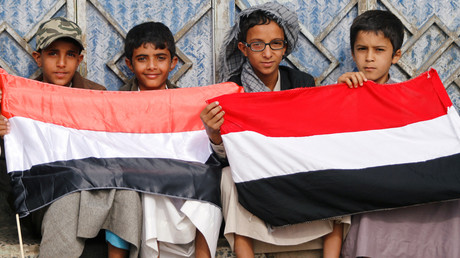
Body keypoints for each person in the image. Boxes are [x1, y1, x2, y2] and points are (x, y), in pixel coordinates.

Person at [200, 2, 349, 258]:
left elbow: (318, 136)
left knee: (338, 167)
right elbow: (225, 157)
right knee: (227, 177)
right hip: (257, 176)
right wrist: (214, 135)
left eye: (275, 44)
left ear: (285, 48)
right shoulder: (231, 91)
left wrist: (344, 92)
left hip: (295, 171)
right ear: (243, 49)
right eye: (257, 44)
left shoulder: (301, 83)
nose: (267, 53)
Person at [0, 17, 142, 258]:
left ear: (80, 59)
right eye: (53, 54)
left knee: (127, 194)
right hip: (45, 196)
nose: (62, 63)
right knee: (67, 198)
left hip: (94, 187)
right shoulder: (21, 100)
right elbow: (14, 160)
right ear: (38, 58)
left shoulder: (97, 95)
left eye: (70, 55)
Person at [338, 10, 460, 257]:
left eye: (379, 50)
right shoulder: (342, 92)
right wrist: (339, 95)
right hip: (365, 187)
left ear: (396, 56)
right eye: (362, 49)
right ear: (353, 53)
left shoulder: (410, 98)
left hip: (406, 184)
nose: (369, 58)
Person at [116, 21, 217, 258]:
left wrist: (214, 134)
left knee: (211, 179)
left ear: (173, 63)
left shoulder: (189, 103)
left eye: (160, 58)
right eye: (142, 59)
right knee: (150, 183)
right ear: (130, 64)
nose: (152, 66)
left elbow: (206, 153)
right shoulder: (116, 102)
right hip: (143, 179)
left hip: (184, 179)